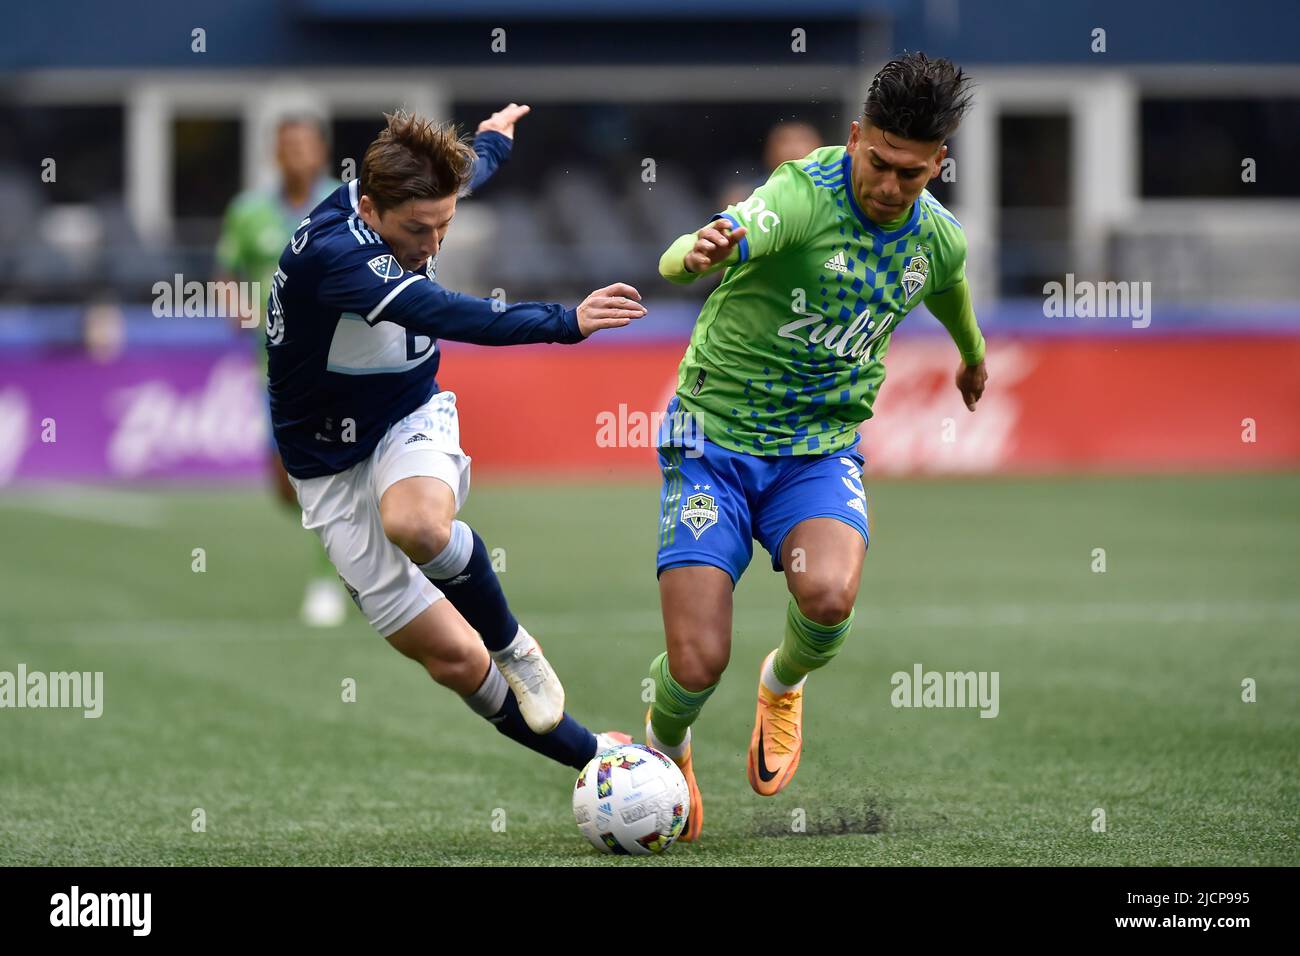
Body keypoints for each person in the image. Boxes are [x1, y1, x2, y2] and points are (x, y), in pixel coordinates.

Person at [645, 53, 986, 839]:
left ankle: (783, 682)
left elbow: (950, 289)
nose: (889, 186)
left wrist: (971, 355)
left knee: (829, 597)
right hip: (712, 445)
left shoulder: (936, 239)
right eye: (878, 163)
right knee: (696, 663)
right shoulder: (801, 194)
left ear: (939, 163)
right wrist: (701, 251)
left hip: (818, 451)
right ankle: (664, 749)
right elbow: (709, 239)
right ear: (856, 136)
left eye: (912, 173)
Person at [267, 109, 646, 768]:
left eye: (444, 225)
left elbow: (468, 174)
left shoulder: (414, 201)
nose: (432, 243)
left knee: (416, 522)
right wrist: (565, 320)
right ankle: (599, 763)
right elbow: (443, 311)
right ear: (369, 207)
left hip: (408, 414)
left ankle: (517, 648)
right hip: (326, 466)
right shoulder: (335, 255)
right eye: (417, 230)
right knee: (454, 661)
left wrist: (491, 139)